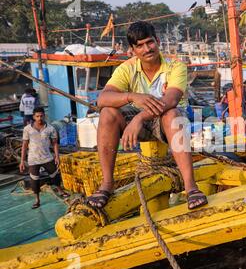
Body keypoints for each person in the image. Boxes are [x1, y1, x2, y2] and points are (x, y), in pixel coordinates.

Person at [86, 21, 207, 210]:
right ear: (133, 50)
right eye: (140, 45)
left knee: (172, 114)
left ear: (157, 41)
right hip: (141, 126)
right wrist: (132, 96)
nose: (147, 49)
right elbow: (102, 99)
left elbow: (171, 100)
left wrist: (139, 118)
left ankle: (190, 186)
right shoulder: (127, 68)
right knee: (107, 113)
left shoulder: (176, 67)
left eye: (149, 42)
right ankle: (107, 184)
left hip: (168, 124)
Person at [19, 107, 69, 209]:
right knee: (34, 181)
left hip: (47, 157)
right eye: (37, 116)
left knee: (55, 175)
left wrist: (57, 156)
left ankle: (60, 191)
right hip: (33, 160)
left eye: (41, 116)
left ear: (44, 116)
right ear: (33, 117)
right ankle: (37, 200)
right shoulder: (27, 129)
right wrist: (22, 161)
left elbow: (55, 144)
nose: (39, 118)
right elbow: (24, 145)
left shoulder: (50, 128)